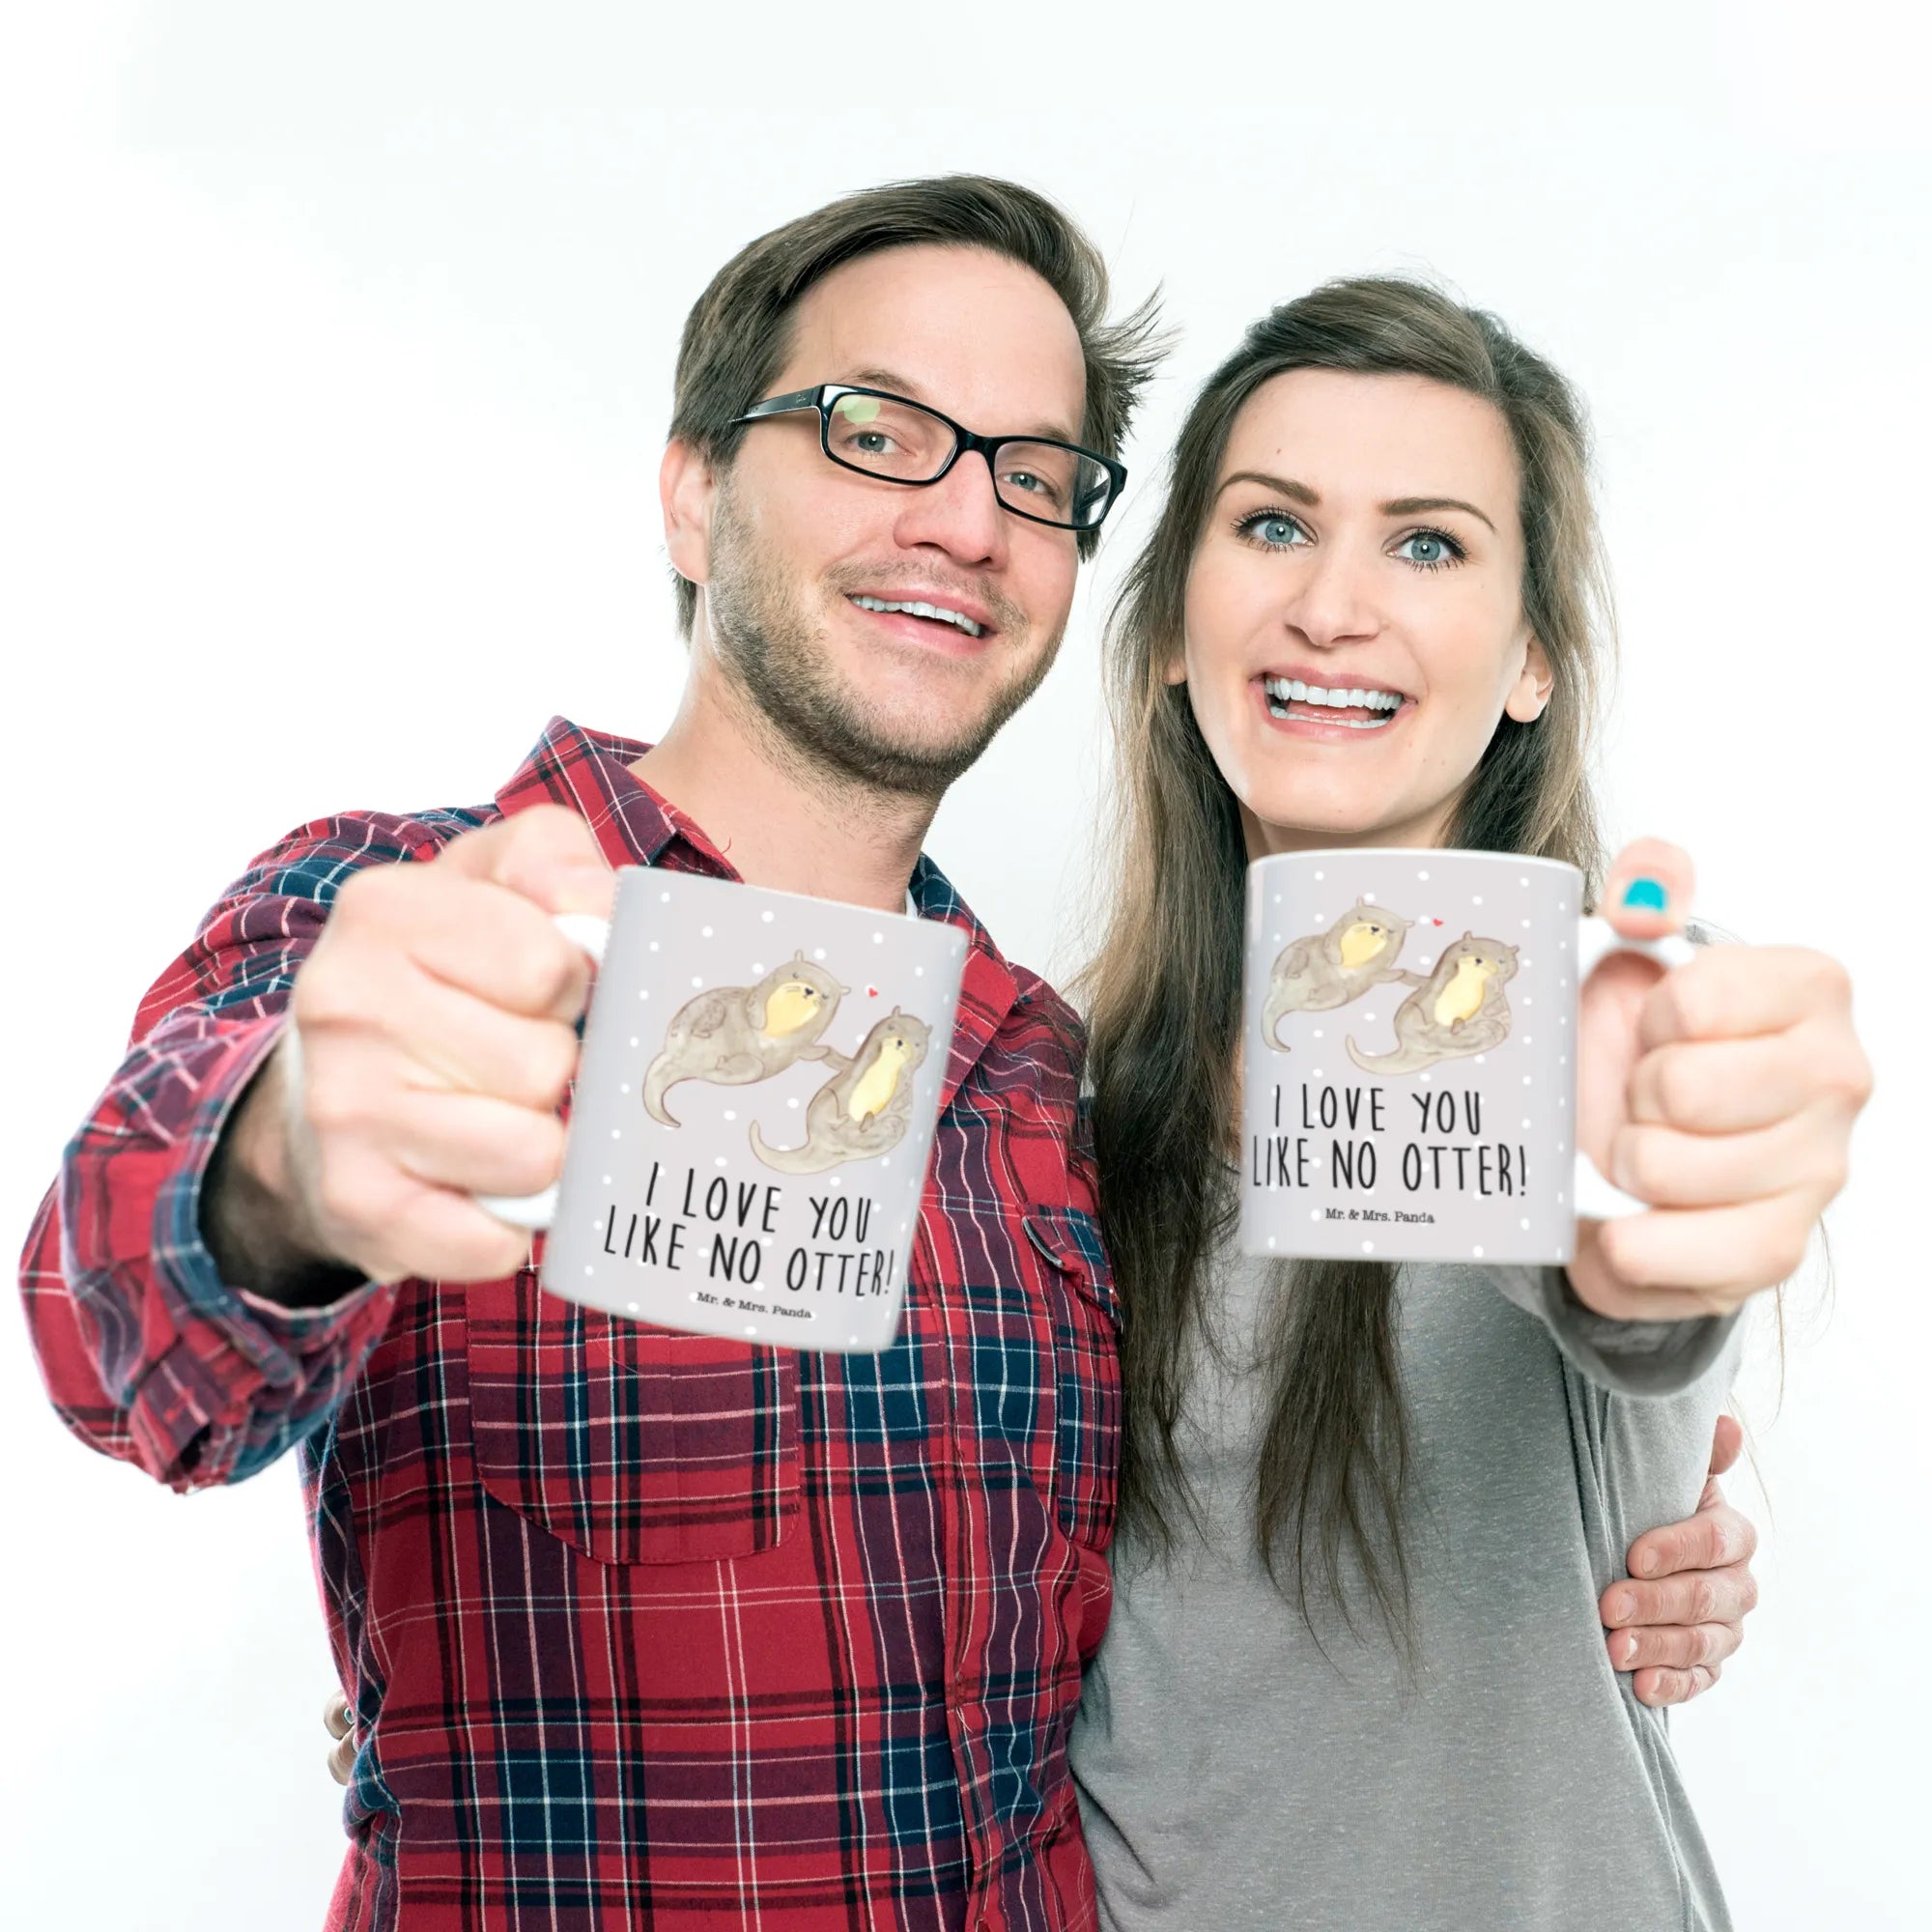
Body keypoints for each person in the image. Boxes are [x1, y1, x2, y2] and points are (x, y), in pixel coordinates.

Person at [22, 178, 1764, 1931]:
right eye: (878, 432)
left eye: (1033, 474)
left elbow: (1261, 1577)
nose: (964, 519)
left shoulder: (1043, 1086)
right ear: (694, 491)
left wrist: (1633, 1492)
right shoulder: (406, 919)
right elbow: (118, 1329)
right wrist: (286, 1167)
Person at [1067, 278, 1872, 1930]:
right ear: (1167, 630)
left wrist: (1672, 1204)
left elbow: (1636, 1285)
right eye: (1273, 526)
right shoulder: (1061, 1102)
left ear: (1530, 662)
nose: (1333, 607)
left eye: (1427, 545)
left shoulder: (1598, 1028)